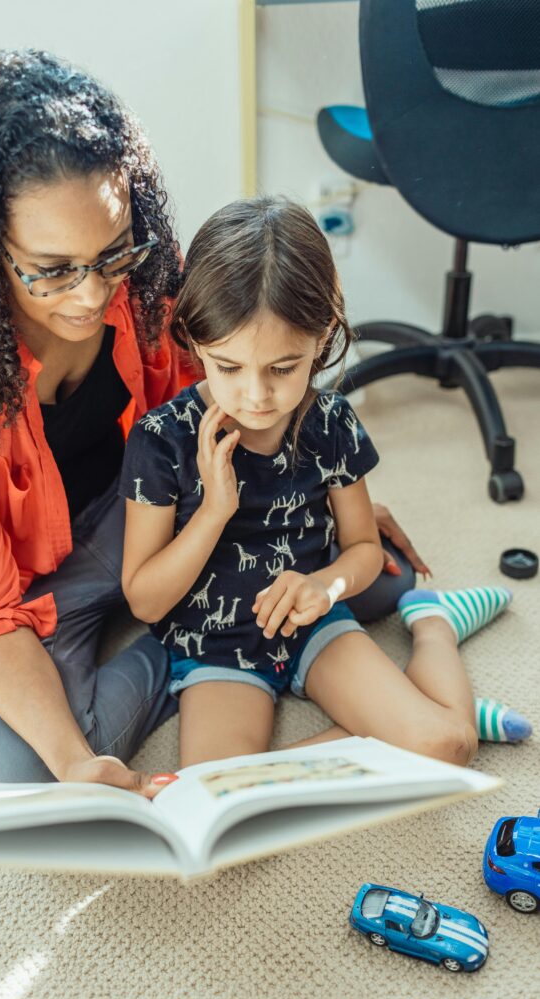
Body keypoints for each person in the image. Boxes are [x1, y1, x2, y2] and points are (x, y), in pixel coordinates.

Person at [0, 50, 453, 791]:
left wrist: (318, 489)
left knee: (384, 574)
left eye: (110, 254)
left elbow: (223, 395)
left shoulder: (142, 271)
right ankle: (180, 649)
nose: (91, 295)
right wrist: (75, 760)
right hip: (23, 578)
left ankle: (209, 637)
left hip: (156, 511)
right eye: (52, 269)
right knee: (27, 779)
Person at [119, 197, 530, 769]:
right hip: (214, 649)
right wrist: (214, 510)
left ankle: (434, 625)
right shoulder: (161, 441)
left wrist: (327, 587)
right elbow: (144, 599)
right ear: (192, 338)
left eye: (283, 368)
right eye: (229, 367)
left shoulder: (330, 422)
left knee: (448, 747)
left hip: (316, 625)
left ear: (323, 335)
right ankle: (409, 715)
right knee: (214, 799)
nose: (256, 395)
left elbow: (363, 548)